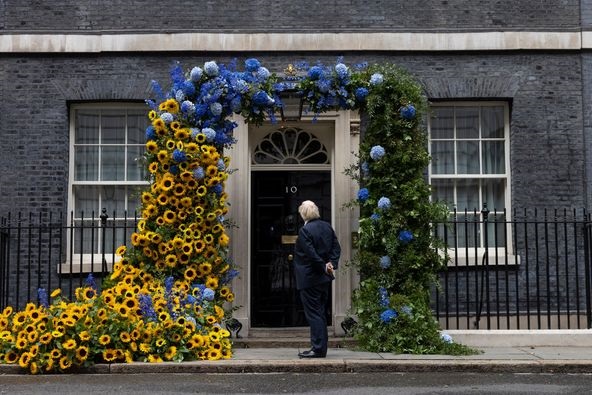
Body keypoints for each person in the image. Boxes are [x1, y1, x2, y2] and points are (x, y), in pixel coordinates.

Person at [293, 200, 341, 358]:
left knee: (314, 313)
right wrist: (331, 264)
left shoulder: (304, 230)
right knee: (320, 312)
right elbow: (336, 247)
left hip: (310, 278)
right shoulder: (327, 226)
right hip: (324, 278)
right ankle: (320, 346)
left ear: (303, 213)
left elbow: (310, 253)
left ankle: (318, 348)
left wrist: (323, 265)